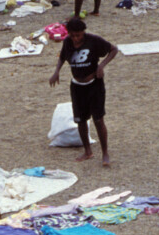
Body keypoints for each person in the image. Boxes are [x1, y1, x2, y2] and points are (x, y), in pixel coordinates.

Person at [48, 16, 116, 165]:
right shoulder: (67, 42)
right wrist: (56, 71)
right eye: (72, 35)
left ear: (83, 33)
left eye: (78, 35)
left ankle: (105, 153)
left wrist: (101, 66)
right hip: (77, 86)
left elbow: (113, 50)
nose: (76, 39)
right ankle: (87, 151)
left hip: (94, 85)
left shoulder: (93, 40)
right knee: (80, 120)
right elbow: (63, 57)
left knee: (98, 119)